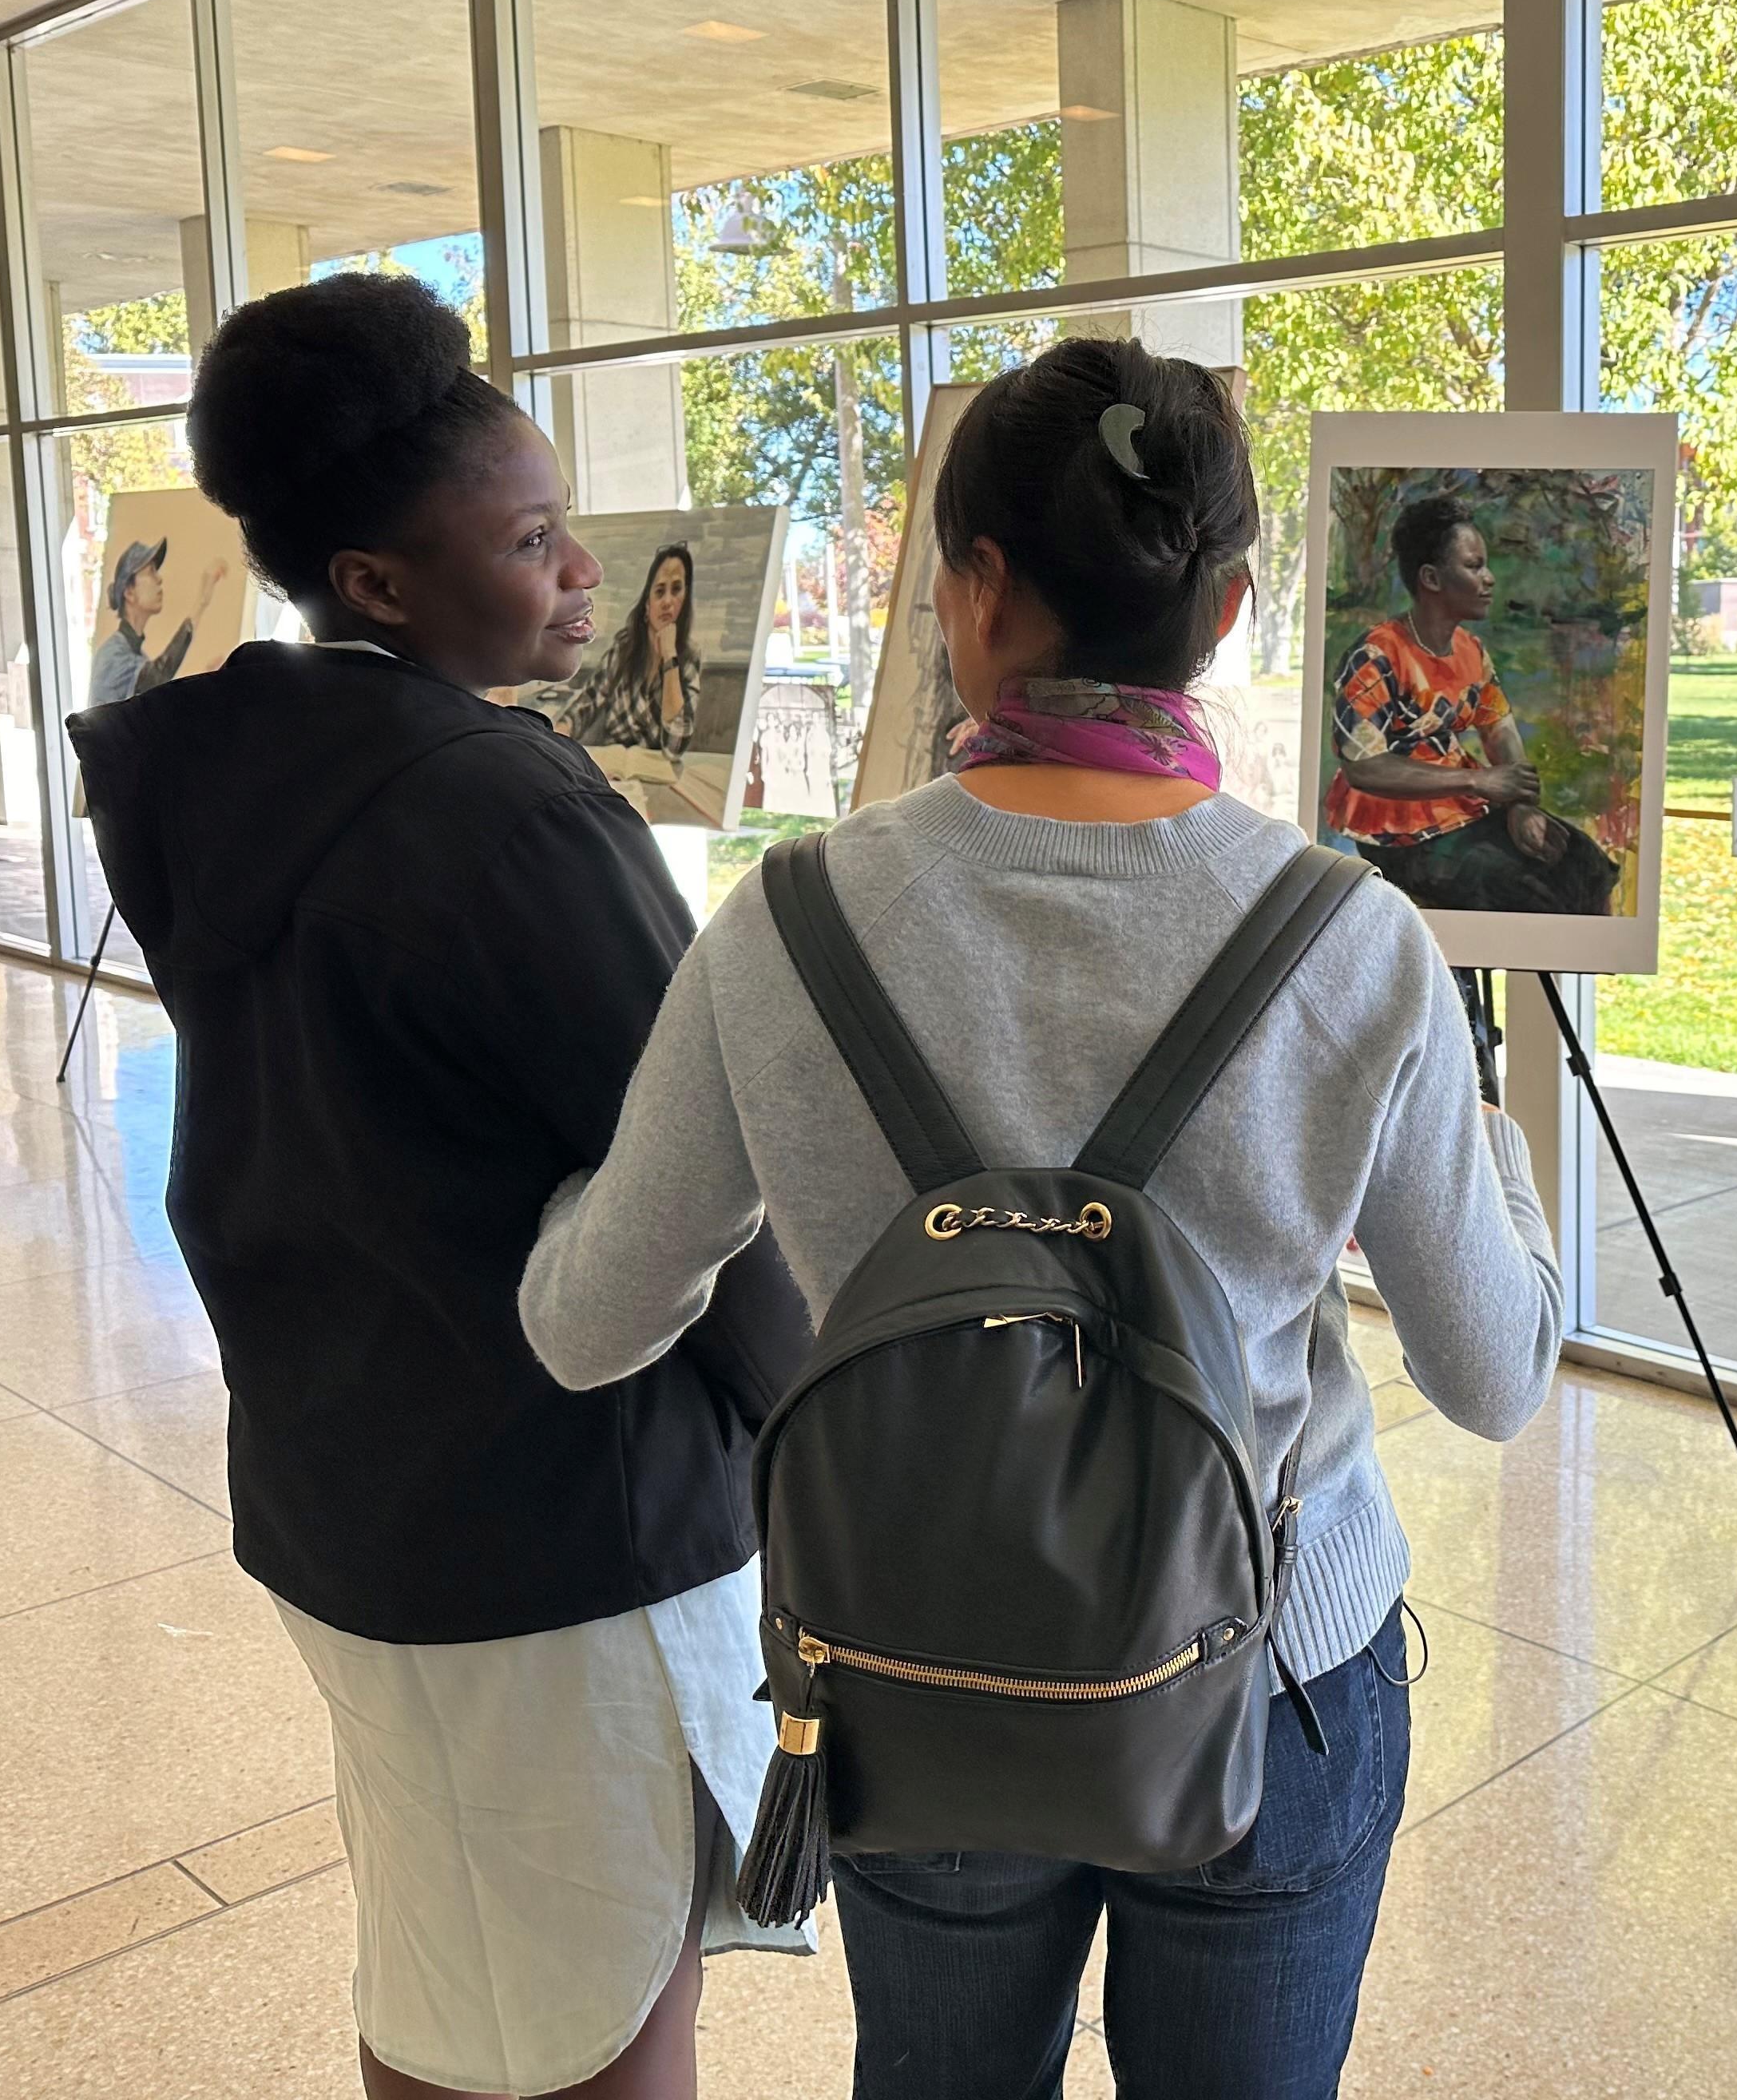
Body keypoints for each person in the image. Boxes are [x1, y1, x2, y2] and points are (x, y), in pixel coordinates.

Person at [518, 335, 1565, 2100]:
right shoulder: (1350, 938)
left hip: (918, 1659)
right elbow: (1496, 1371)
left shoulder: (784, 927)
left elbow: (586, 1325)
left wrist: (548, 1183)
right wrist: (1489, 1127)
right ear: (1228, 610)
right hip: (1276, 1666)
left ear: (973, 590)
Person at [66, 271, 812, 2100]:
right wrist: (835, 1431)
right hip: (564, 1528)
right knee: (608, 2001)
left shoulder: (217, 769)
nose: (581, 573)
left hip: (348, 1492)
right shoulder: (511, 812)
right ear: (383, 582)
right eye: (536, 541)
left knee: (447, 1973)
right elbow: (691, 1179)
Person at [1324, 491, 1615, 913]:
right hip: (1396, 832)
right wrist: (1479, 783)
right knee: (1526, 889)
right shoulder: (1376, 655)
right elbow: (1364, 767)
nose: (1490, 578)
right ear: (1432, 578)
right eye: (1475, 566)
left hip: (1463, 810)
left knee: (1584, 862)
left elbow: (1500, 730)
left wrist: (1520, 806)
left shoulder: (1470, 652)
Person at [559, 543, 700, 755]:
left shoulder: (689, 657)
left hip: (658, 773)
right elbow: (590, 700)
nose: (668, 602)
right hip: (613, 770)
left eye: (677, 589)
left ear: (686, 599)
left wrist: (670, 656)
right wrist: (559, 733)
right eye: (660, 591)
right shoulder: (624, 648)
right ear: (647, 604)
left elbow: (675, 746)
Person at [85, 533, 232, 706]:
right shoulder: (112, 656)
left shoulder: (135, 656)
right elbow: (159, 675)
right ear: (129, 593)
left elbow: (164, 705)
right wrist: (201, 601)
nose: (159, 579)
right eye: (150, 572)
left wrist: (207, 678)